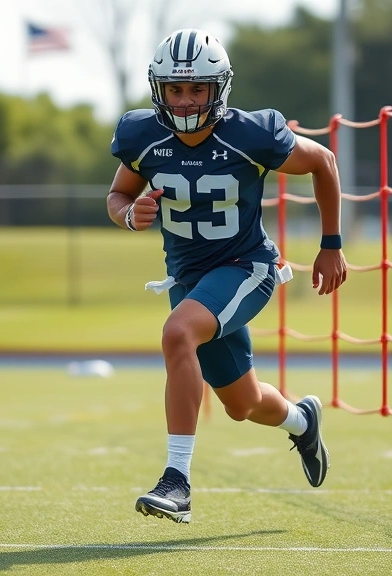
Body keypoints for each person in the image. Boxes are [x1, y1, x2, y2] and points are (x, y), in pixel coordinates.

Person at [106, 28, 348, 524]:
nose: (187, 99)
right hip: (189, 279)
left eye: (198, 88)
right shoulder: (140, 134)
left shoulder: (251, 133)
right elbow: (117, 196)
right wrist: (130, 214)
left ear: (220, 89)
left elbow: (323, 161)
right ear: (159, 89)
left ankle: (177, 481)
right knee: (243, 403)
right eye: (176, 88)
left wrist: (331, 245)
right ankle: (303, 421)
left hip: (247, 267)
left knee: (178, 333)